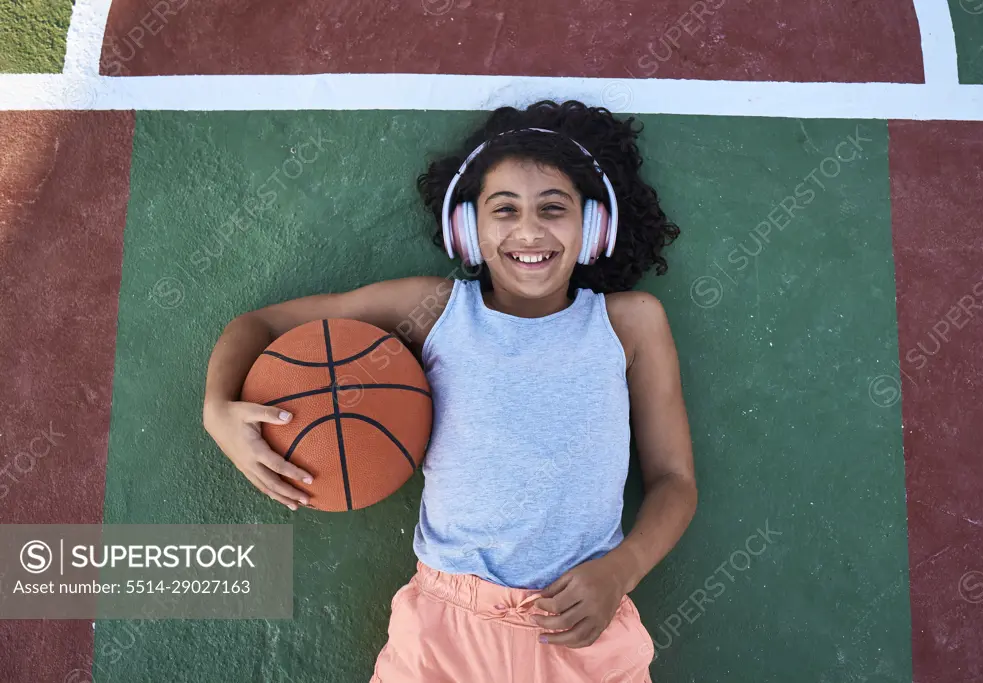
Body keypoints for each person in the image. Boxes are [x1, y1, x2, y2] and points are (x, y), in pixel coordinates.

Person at [202, 99, 698, 682]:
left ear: (593, 224)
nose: (529, 230)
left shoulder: (630, 324)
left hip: (583, 626)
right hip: (444, 632)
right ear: (467, 226)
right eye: (504, 209)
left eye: (554, 209)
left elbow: (675, 482)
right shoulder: (435, 311)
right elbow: (257, 326)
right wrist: (218, 411)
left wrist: (622, 570)